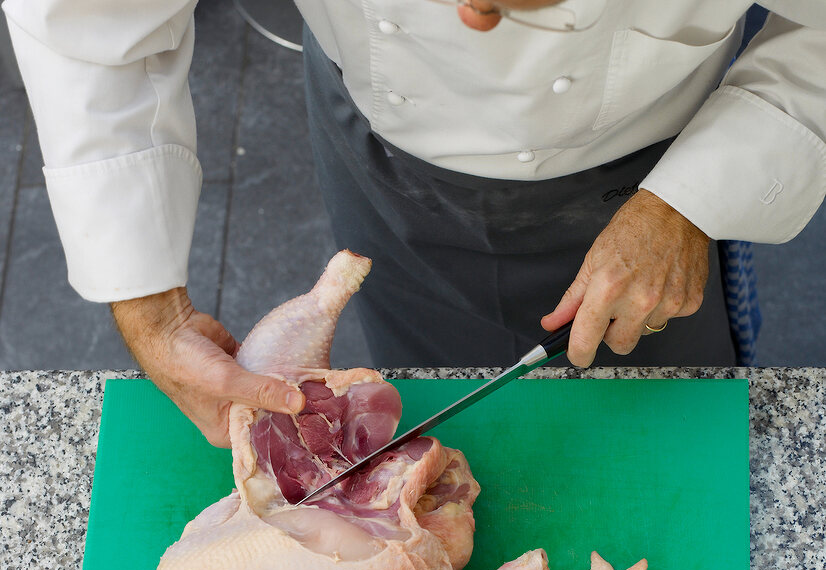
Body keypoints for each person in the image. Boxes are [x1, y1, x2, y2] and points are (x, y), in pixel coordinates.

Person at [3, 1, 825, 447]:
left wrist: (695, 199)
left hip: (655, 155)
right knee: (438, 413)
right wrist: (146, 300)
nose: (473, 19)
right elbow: (87, 22)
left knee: (667, 432)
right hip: (380, 149)